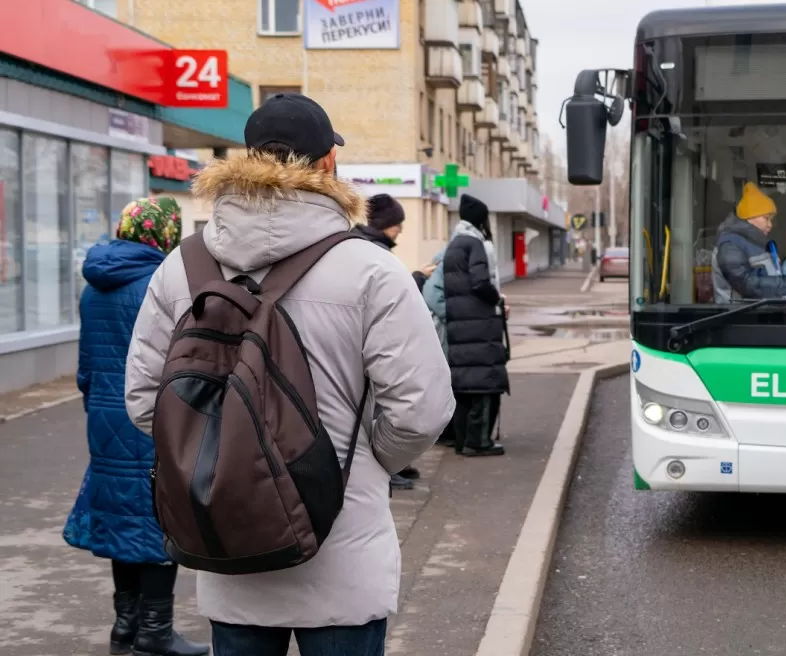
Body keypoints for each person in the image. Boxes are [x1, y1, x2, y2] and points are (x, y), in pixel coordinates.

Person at [124, 92, 454, 656]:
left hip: (230, 545)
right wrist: (369, 463)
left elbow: (144, 399)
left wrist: (219, 457)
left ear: (247, 160)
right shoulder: (372, 268)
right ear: (329, 163)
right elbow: (420, 408)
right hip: (342, 548)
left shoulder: (183, 265)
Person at [63, 197, 207, 656]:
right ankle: (155, 631)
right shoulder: (157, 284)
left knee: (123, 520)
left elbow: (86, 367)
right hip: (150, 416)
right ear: (165, 234)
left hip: (105, 418)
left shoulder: (94, 287)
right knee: (157, 519)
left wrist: (97, 410)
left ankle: (124, 626)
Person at [350, 193, 437, 489]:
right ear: (385, 224)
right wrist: (416, 277)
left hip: (368, 341)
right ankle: (387, 469)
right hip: (372, 343)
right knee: (382, 406)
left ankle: (394, 466)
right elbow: (384, 296)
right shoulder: (373, 251)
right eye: (397, 223)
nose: (400, 229)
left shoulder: (366, 246)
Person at [442, 194, 509, 457]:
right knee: (485, 383)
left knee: (465, 386)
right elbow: (481, 282)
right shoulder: (475, 244)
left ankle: (462, 440)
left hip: (460, 327)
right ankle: (479, 442)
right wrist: (498, 300)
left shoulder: (455, 244)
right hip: (480, 326)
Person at [712, 182, 786, 303]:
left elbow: (771, 283)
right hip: (740, 318)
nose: (770, 225)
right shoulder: (730, 246)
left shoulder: (761, 244)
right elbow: (747, 284)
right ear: (750, 216)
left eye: (771, 220)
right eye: (766, 218)